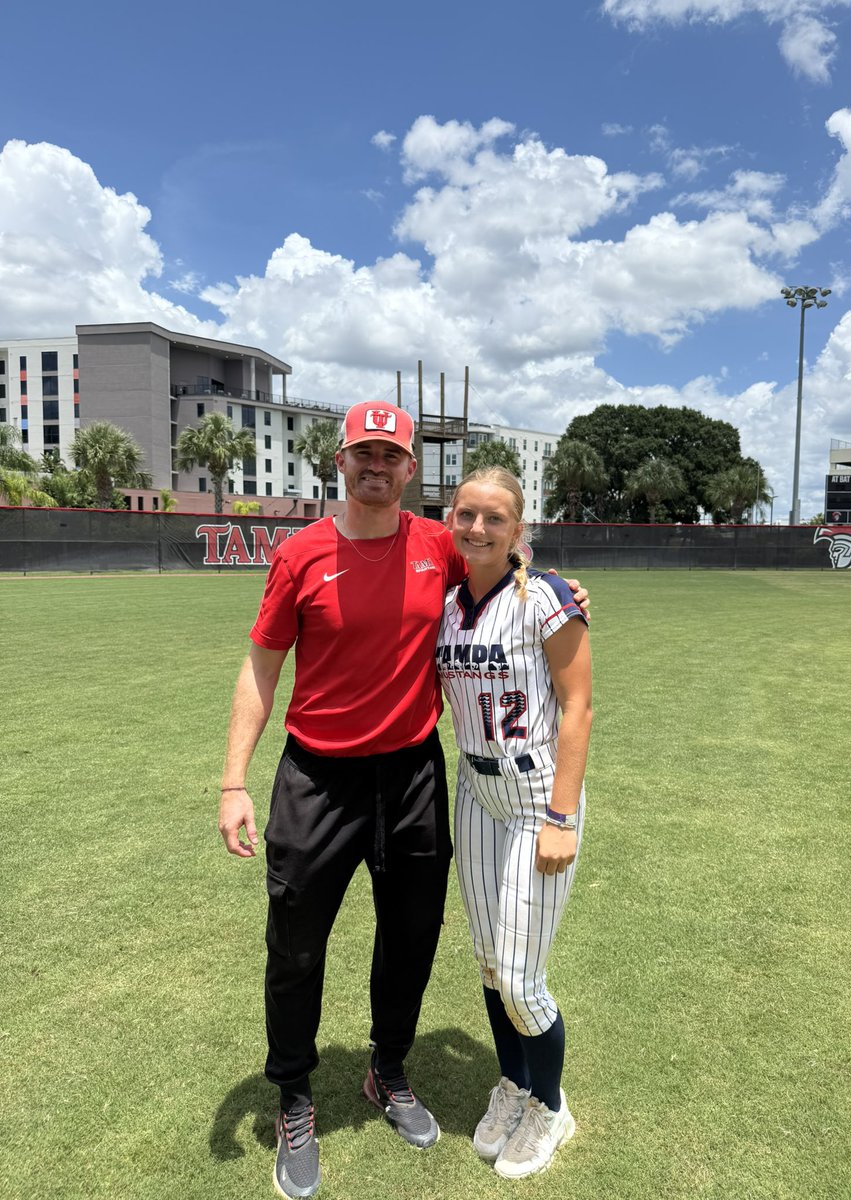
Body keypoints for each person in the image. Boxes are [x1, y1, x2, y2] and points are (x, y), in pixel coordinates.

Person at [218, 402, 587, 1199]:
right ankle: (293, 1094)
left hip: (415, 772)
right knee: (297, 941)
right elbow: (260, 667)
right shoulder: (301, 555)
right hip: (317, 777)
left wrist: (555, 584)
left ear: (411, 470)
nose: (376, 467)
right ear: (340, 462)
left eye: (391, 455)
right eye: (363, 454)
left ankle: (387, 1070)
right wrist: (232, 781)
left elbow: (500, 568)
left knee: (414, 933)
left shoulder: (436, 544)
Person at [436, 467, 592, 1179]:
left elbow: (578, 708)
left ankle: (552, 1107)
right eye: (466, 515)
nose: (477, 528)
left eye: (494, 518)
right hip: (475, 788)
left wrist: (562, 815)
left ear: (517, 530)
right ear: (451, 519)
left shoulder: (547, 598)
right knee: (492, 965)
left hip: (535, 797)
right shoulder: (442, 600)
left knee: (524, 980)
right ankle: (517, 1084)